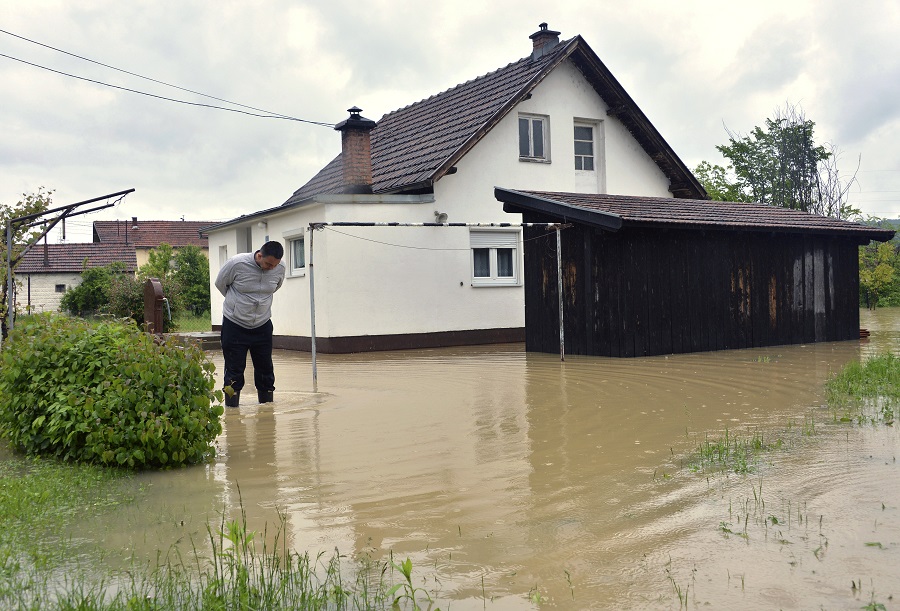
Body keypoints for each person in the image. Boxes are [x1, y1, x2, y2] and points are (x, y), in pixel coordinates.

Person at [215, 240, 286, 407]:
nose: (271, 268)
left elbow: (275, 287)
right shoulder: (236, 263)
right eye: (268, 264)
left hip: (262, 325)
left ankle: (267, 409)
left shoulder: (280, 269)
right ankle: (232, 412)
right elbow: (220, 284)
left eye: (275, 265)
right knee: (234, 370)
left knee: (266, 370)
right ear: (259, 255)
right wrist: (238, 304)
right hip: (235, 324)